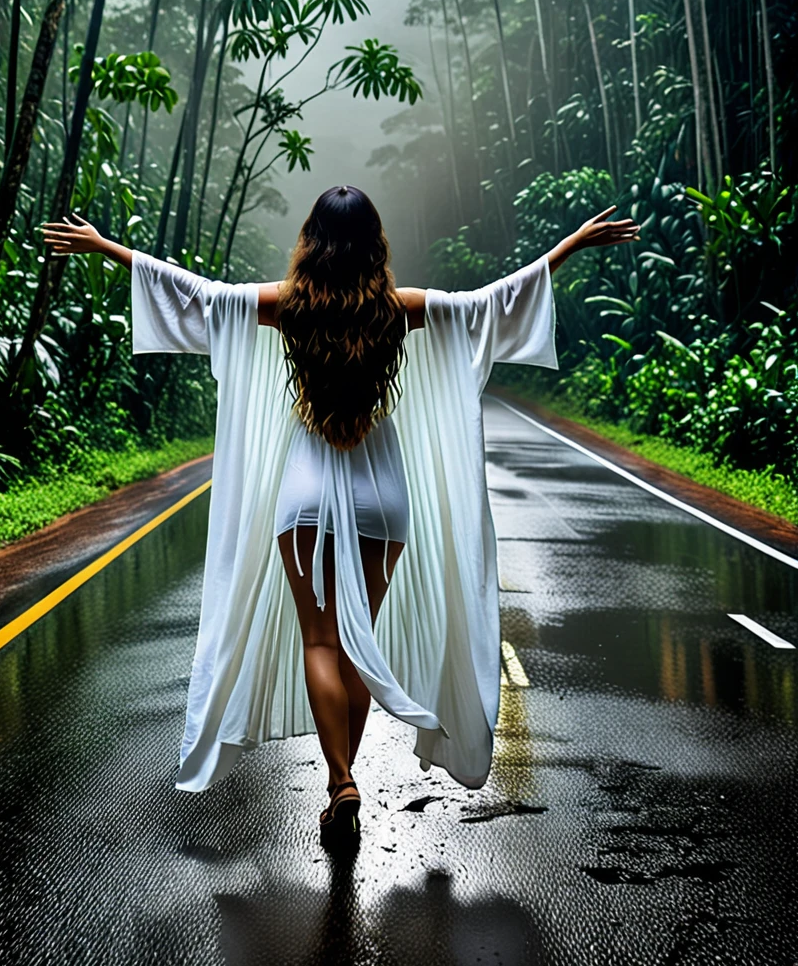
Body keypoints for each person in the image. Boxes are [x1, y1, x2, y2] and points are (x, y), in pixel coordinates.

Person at [43, 187, 638, 846]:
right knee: (354, 647)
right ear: (373, 243)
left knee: (321, 642)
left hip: (305, 489)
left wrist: (105, 248)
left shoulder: (288, 307)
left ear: (312, 240)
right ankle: (341, 783)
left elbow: (194, 293)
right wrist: (570, 247)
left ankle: (341, 783)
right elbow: (494, 301)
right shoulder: (397, 309)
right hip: (383, 493)